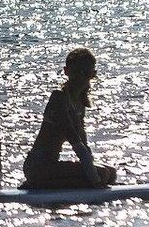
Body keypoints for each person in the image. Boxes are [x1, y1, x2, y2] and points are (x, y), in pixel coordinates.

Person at [22, 47, 117, 189]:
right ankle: (37, 184)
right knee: (102, 174)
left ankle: (52, 183)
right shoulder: (58, 98)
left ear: (93, 74)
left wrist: (94, 172)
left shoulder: (80, 102)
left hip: (51, 167)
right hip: (37, 167)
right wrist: (95, 179)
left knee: (111, 173)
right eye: (76, 72)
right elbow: (75, 142)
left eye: (86, 73)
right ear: (67, 72)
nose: (80, 77)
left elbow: (84, 146)